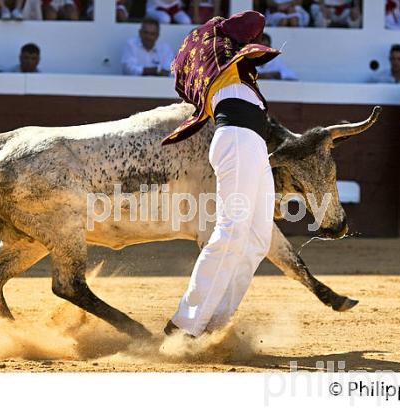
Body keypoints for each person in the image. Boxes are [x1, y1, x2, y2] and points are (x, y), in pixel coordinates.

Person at [161, 11, 280, 337]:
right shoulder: (223, 61)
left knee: (257, 238)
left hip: (251, 145)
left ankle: (213, 323)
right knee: (232, 230)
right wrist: (223, 28)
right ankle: (184, 324)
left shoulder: (232, 72)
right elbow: (252, 18)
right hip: (238, 139)